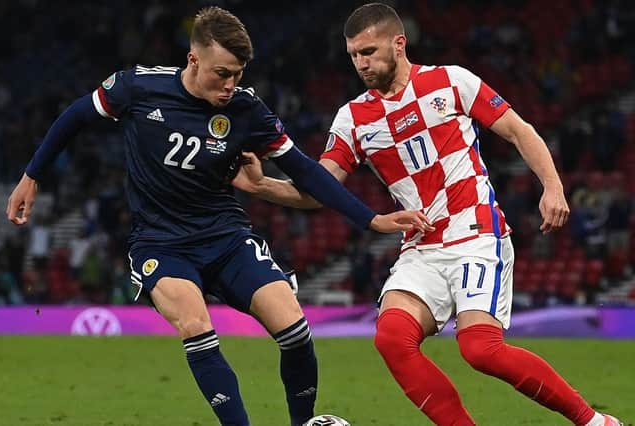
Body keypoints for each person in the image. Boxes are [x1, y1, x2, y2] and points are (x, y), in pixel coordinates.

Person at [6, 7, 430, 426]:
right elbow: (74, 117)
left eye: (238, 75)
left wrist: (372, 220)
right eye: (221, 73)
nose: (230, 86)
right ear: (193, 60)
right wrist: (31, 177)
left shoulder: (246, 110)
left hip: (226, 238)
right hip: (161, 243)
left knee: (295, 329)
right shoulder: (138, 88)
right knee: (196, 325)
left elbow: (304, 171)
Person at [231, 3, 623, 425]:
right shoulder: (354, 119)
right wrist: (260, 185)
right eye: (354, 55)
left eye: (369, 51)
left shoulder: (451, 81)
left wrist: (552, 185)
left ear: (399, 44)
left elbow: (518, 130)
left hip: (475, 233)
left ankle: (593, 421)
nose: (361, 63)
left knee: (480, 349)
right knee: (392, 338)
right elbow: (319, 190)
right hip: (422, 248)